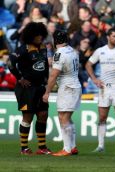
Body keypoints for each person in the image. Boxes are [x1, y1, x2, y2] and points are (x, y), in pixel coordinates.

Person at [7, 22, 51, 155]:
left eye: (41, 35)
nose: (40, 37)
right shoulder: (23, 49)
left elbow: (45, 66)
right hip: (27, 88)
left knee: (43, 115)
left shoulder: (43, 47)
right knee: (28, 117)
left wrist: (47, 80)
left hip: (40, 87)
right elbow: (10, 63)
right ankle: (24, 148)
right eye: (37, 35)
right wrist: (19, 78)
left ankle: (42, 147)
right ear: (30, 36)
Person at [42, 30, 82, 156]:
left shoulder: (59, 53)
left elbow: (53, 75)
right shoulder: (72, 50)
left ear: (55, 41)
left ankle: (67, 149)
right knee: (67, 118)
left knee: (63, 118)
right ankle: (73, 147)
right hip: (74, 85)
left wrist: (47, 92)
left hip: (67, 87)